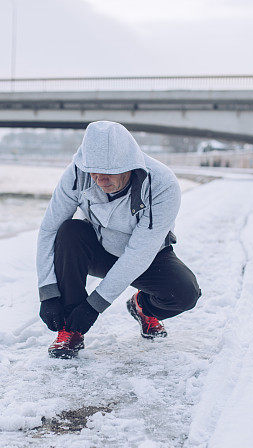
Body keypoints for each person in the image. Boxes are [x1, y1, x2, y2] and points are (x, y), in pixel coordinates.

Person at [36, 121, 201, 358]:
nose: (99, 179)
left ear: (129, 165)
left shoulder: (162, 184)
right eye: (93, 170)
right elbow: (48, 229)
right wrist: (48, 291)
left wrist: (94, 306)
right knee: (69, 232)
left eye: (109, 171)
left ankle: (143, 307)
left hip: (147, 255)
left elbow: (138, 253)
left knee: (185, 294)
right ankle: (70, 330)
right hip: (99, 249)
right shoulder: (77, 173)